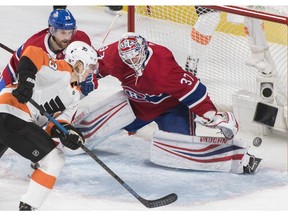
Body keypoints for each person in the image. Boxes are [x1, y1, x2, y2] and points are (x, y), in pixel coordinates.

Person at [72, 32, 262, 174]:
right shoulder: (114, 55)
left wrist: (214, 115)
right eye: (127, 59)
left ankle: (238, 158)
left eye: (135, 57)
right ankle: (58, 136)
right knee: (85, 131)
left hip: (171, 109)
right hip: (135, 104)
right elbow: (94, 66)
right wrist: (89, 79)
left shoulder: (162, 66)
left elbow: (194, 91)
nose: (132, 62)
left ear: (144, 50)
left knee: (179, 153)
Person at [0, 41, 98, 211]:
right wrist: (27, 81)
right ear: (78, 64)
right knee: (54, 160)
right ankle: (28, 208)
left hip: (14, 118)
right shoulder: (61, 69)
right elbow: (32, 53)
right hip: (11, 111)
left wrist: (70, 135)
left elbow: (59, 124)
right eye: (90, 67)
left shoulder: (75, 95)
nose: (92, 72)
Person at [0, 8, 98, 158]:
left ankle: (42, 148)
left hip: (52, 78)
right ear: (51, 30)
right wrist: (26, 83)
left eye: (70, 32)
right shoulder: (36, 45)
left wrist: (90, 79)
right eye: (62, 33)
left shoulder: (79, 40)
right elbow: (27, 70)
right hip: (17, 75)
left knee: (63, 102)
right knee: (9, 115)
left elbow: (88, 63)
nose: (67, 37)